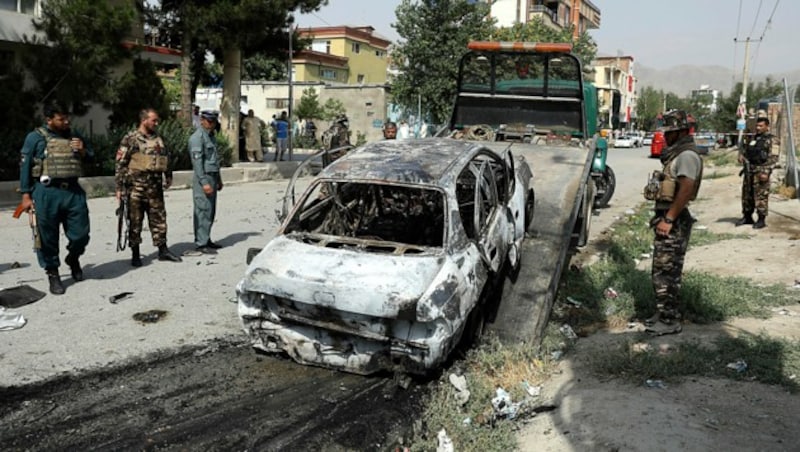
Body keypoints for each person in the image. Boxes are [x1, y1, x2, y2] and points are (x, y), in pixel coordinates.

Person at [18, 103, 93, 295]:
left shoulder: (74, 136)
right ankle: (53, 273)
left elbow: (91, 157)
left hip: (73, 192)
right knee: (47, 238)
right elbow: (25, 167)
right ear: (49, 119)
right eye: (61, 119)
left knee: (81, 234)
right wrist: (26, 195)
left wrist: (83, 150)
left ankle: (73, 257)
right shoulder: (35, 138)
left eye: (68, 118)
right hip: (46, 193)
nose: (66, 121)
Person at [644, 110, 703, 336]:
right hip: (669, 218)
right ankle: (663, 313)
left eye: (670, 133)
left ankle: (669, 321)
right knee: (661, 270)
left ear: (680, 132)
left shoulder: (687, 156)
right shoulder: (677, 154)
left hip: (674, 221)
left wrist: (669, 218)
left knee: (667, 273)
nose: (666, 137)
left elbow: (686, 188)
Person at [115, 108, 182, 267]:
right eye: (154, 120)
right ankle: (135, 253)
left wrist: (169, 175)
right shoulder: (131, 139)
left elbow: (166, 158)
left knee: (159, 219)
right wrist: (119, 188)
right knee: (135, 221)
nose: (156, 123)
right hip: (136, 187)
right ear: (144, 120)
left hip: (155, 187)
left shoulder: (159, 139)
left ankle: (162, 250)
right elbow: (120, 164)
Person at [188, 110, 224, 255]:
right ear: (202, 120)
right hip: (203, 178)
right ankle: (201, 243)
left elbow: (215, 160)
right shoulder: (197, 138)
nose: (211, 124)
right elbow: (197, 163)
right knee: (202, 211)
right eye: (209, 121)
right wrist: (204, 183)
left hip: (213, 177)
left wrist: (219, 179)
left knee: (210, 211)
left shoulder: (211, 137)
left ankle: (206, 238)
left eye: (213, 121)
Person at [736, 117, 776, 229]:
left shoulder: (772, 140)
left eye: (761, 126)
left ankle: (761, 219)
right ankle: (747, 216)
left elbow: (773, 158)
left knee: (761, 196)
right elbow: (746, 151)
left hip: (761, 171)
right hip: (750, 170)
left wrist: (766, 172)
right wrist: (742, 156)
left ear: (767, 126)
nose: (758, 128)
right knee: (747, 195)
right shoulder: (753, 138)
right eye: (757, 126)